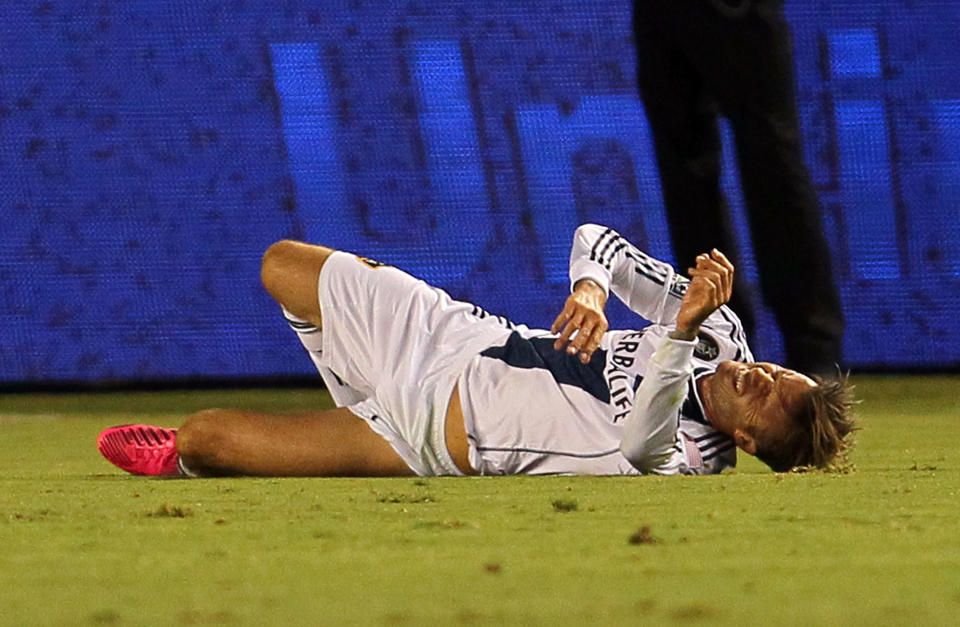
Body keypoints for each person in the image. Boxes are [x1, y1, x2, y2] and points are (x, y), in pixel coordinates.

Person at [97, 224, 855, 478]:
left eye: (763, 393)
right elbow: (598, 240)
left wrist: (680, 329)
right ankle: (344, 366)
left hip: (425, 435)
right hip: (452, 334)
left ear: (747, 440)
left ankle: (192, 452)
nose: (755, 373)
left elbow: (638, 438)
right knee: (281, 265)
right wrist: (592, 289)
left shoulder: (693, 460)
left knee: (202, 437)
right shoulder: (723, 334)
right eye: (776, 370)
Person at [632, 0, 845, 377]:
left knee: (772, 163)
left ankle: (814, 353)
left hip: (739, 8)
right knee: (685, 177)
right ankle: (718, 345)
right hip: (659, 12)